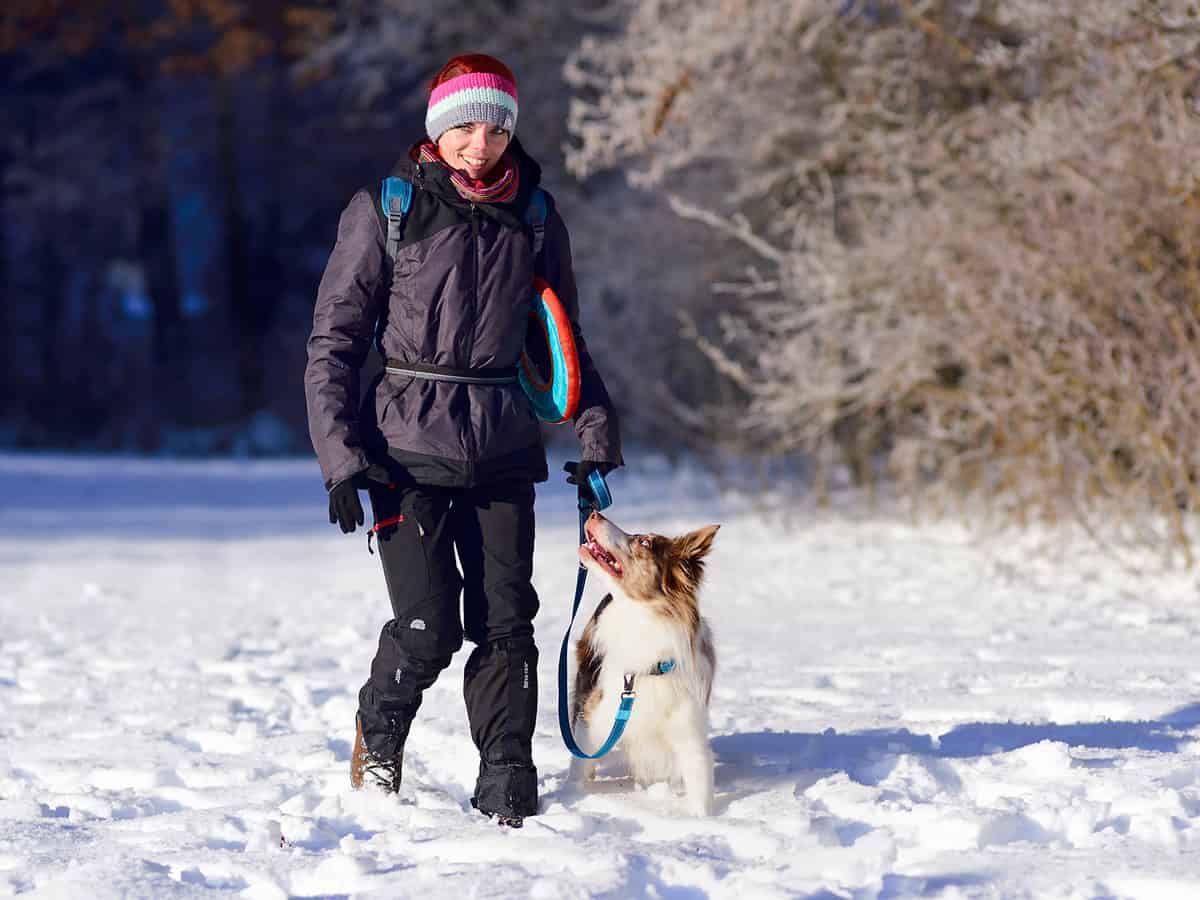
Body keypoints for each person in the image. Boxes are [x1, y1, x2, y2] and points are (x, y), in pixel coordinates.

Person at [303, 53, 622, 826]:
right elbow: (334, 344)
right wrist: (341, 460)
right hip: (402, 453)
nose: (479, 144)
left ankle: (508, 771)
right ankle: (379, 732)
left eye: (494, 128)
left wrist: (596, 438)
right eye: (463, 127)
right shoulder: (387, 209)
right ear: (437, 130)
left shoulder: (537, 217)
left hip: (505, 449)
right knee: (428, 626)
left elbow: (563, 339)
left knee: (507, 623)